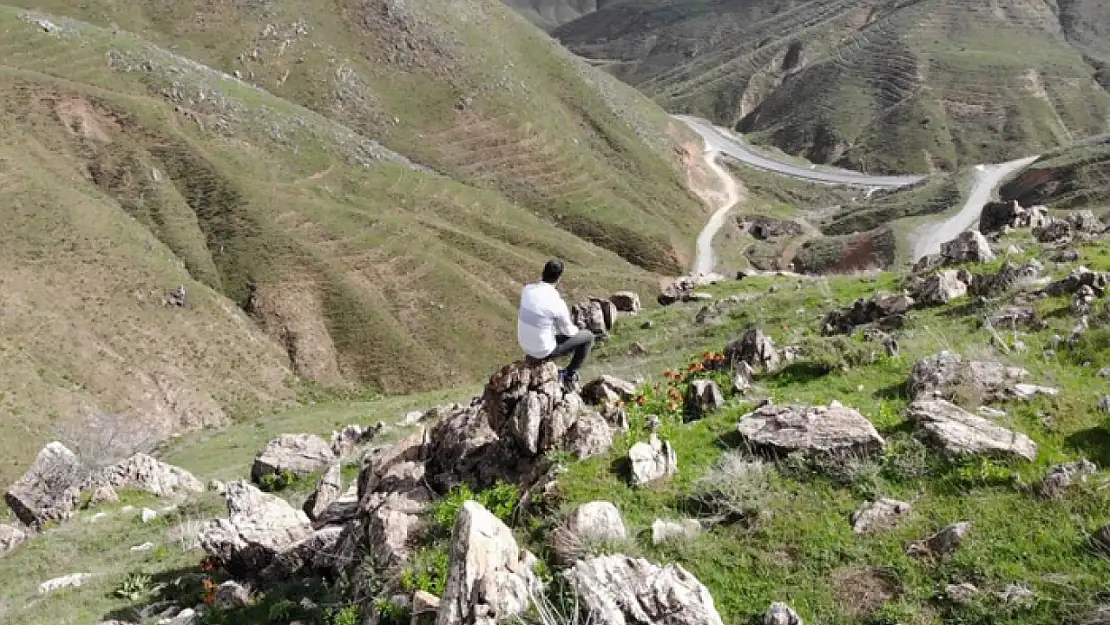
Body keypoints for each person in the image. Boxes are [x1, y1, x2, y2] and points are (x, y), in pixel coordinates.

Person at [517, 258, 595, 389]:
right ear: (559, 278)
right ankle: (569, 374)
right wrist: (578, 329)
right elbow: (568, 332)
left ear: (542, 273)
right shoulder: (557, 302)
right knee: (587, 337)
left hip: (524, 345)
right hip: (543, 350)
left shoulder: (527, 289)